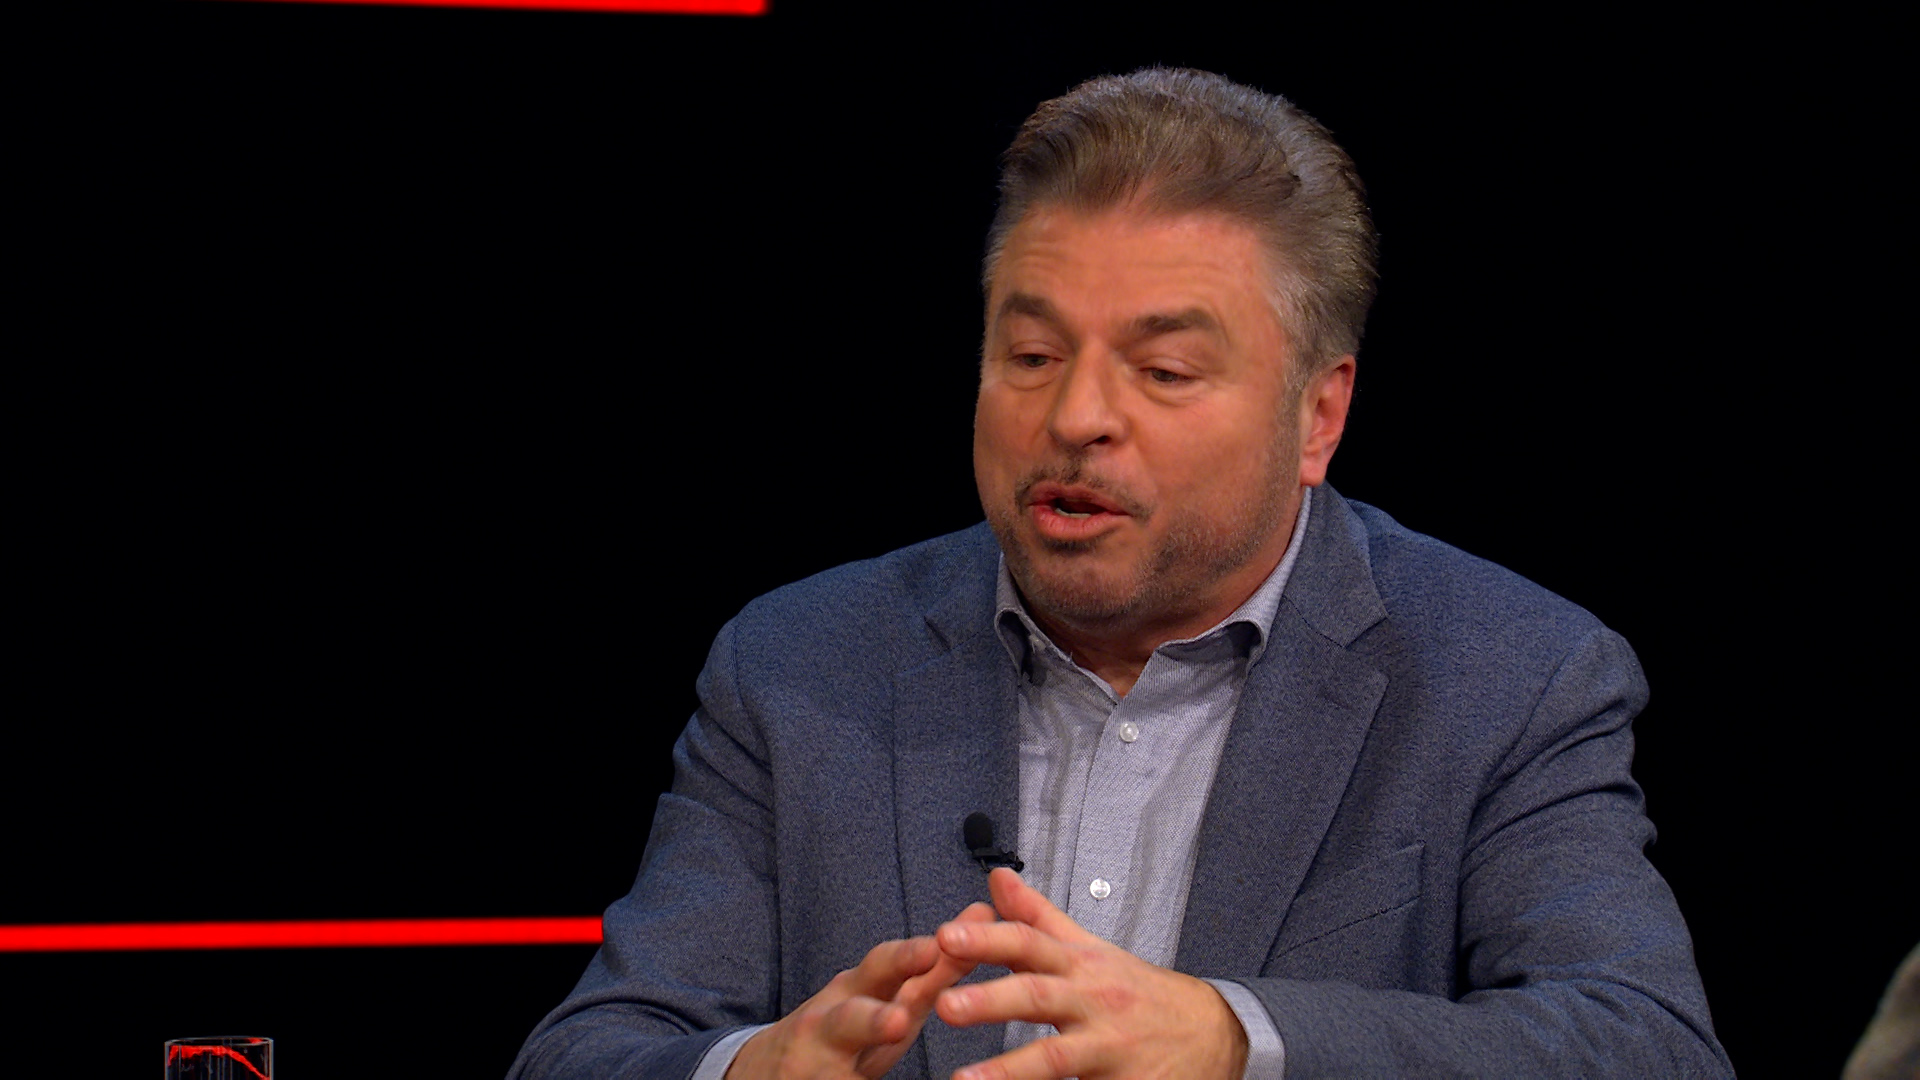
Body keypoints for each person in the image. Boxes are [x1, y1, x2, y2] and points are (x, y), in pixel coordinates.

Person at [508, 68, 1732, 1079]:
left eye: (1163, 372)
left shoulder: (1509, 678)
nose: (1076, 416)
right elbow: (590, 1053)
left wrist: (1236, 1043)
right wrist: (754, 1072)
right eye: (1032, 353)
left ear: (1318, 417)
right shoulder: (800, 667)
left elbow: (1646, 1045)